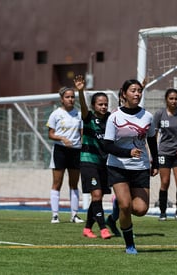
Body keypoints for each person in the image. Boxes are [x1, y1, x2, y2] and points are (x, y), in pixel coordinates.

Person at [104, 79, 159, 254]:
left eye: (139, 91)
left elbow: (151, 140)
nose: (137, 94)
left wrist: (155, 162)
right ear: (124, 93)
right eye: (133, 90)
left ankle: (117, 207)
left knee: (141, 210)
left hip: (140, 167)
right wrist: (127, 153)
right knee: (126, 206)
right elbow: (107, 145)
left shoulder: (147, 116)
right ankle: (130, 245)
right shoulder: (114, 117)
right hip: (118, 166)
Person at [75, 75, 112, 239]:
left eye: (105, 104)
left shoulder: (111, 119)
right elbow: (83, 108)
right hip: (88, 162)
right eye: (100, 104)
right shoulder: (88, 117)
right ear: (93, 105)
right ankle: (103, 228)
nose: (103, 106)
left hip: (104, 163)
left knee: (98, 197)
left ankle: (87, 228)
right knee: (96, 195)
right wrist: (81, 92)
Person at [47, 86, 84, 224]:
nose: (71, 99)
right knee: (57, 183)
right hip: (60, 151)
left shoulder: (78, 114)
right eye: (68, 97)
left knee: (74, 184)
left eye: (72, 97)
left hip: (75, 151)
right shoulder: (55, 114)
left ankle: (74, 215)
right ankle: (55, 215)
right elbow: (50, 134)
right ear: (62, 99)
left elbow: (82, 133)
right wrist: (62, 139)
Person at [154, 88, 177, 221]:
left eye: (176, 98)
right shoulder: (159, 114)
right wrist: (154, 153)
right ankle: (163, 213)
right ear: (166, 100)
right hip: (164, 152)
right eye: (171, 98)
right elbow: (155, 133)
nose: (174, 101)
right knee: (165, 182)